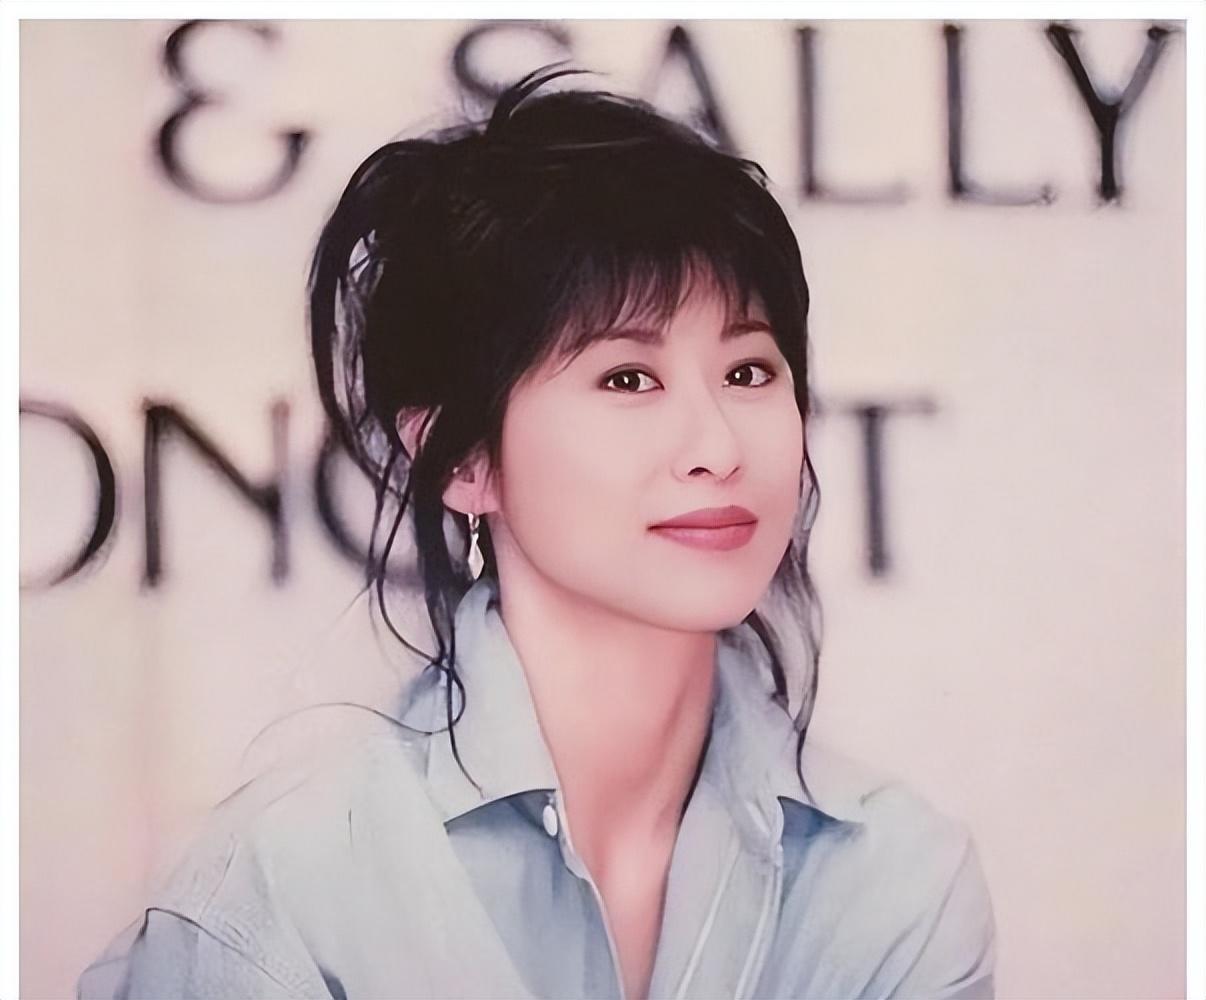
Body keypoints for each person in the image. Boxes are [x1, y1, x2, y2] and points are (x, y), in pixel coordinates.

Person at [78, 66, 996, 1000]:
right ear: (464, 459)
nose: (718, 448)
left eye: (749, 372)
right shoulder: (296, 886)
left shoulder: (896, 883)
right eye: (628, 379)